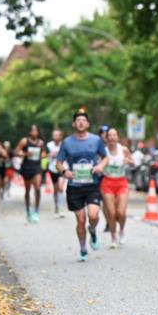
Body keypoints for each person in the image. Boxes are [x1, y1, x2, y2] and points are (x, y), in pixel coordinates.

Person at [57, 108, 107, 262]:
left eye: (83, 120)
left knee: (93, 215)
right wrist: (65, 172)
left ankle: (92, 230)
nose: (81, 122)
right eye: (78, 120)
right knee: (80, 220)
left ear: (88, 124)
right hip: (74, 186)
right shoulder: (67, 142)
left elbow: (105, 158)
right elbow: (58, 163)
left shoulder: (96, 140)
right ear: (74, 124)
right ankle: (83, 247)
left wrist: (100, 167)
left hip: (92, 184)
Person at [97, 127, 133, 248]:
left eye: (114, 135)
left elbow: (133, 162)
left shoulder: (124, 149)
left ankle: (121, 230)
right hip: (107, 183)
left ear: (118, 137)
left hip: (121, 183)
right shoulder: (103, 151)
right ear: (106, 138)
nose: (112, 137)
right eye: (109, 135)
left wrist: (129, 161)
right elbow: (98, 165)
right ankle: (113, 236)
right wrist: (99, 167)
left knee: (121, 213)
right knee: (111, 213)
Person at [14, 125, 47, 223]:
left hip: (37, 167)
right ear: (29, 132)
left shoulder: (40, 142)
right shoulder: (24, 141)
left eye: (36, 130)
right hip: (26, 167)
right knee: (27, 189)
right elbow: (16, 152)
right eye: (32, 130)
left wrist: (42, 155)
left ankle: (36, 210)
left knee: (37, 187)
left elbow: (44, 153)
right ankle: (28, 210)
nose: (34, 132)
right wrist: (25, 154)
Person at [47, 129, 67, 217]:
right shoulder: (49, 145)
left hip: (62, 167)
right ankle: (56, 207)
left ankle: (61, 208)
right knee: (55, 189)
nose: (55, 137)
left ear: (60, 137)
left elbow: (67, 155)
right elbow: (45, 154)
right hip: (52, 168)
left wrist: (58, 154)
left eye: (57, 135)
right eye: (53, 135)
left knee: (61, 188)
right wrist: (50, 155)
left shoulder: (65, 144)